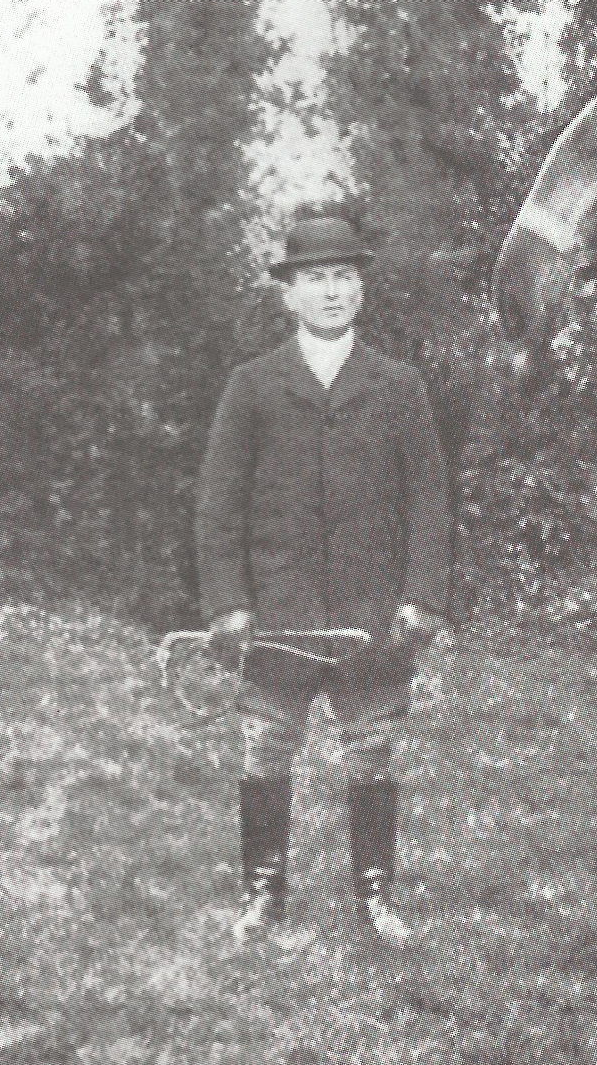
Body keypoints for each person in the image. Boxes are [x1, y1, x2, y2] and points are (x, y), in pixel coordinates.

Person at [196, 216, 452, 943]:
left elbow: (430, 503)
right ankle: (262, 892)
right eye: (315, 278)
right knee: (265, 747)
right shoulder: (253, 386)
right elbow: (218, 507)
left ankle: (375, 896)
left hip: (372, 615)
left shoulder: (400, 387)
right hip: (279, 612)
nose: (331, 291)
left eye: (343, 276)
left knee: (372, 748)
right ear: (289, 294)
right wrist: (228, 602)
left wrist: (421, 597)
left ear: (362, 288)